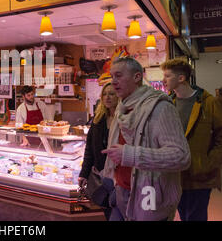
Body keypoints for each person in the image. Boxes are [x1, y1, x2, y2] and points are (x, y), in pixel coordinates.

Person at [101, 56, 190, 221]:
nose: (113, 81)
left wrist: (131, 155)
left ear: (137, 77)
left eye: (119, 76)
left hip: (148, 196)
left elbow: (181, 156)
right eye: (112, 76)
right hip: (120, 191)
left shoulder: (161, 108)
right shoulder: (122, 108)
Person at [161, 58, 222, 221]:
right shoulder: (168, 103)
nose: (163, 80)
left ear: (181, 78)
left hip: (200, 176)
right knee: (184, 215)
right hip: (176, 175)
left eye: (167, 76)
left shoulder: (208, 102)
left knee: (195, 216)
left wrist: (208, 164)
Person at [79, 82, 118, 220]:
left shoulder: (125, 119)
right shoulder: (97, 119)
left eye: (112, 94)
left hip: (119, 178)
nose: (107, 97)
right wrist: (83, 173)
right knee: (108, 212)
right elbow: (89, 149)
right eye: (105, 94)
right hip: (101, 177)